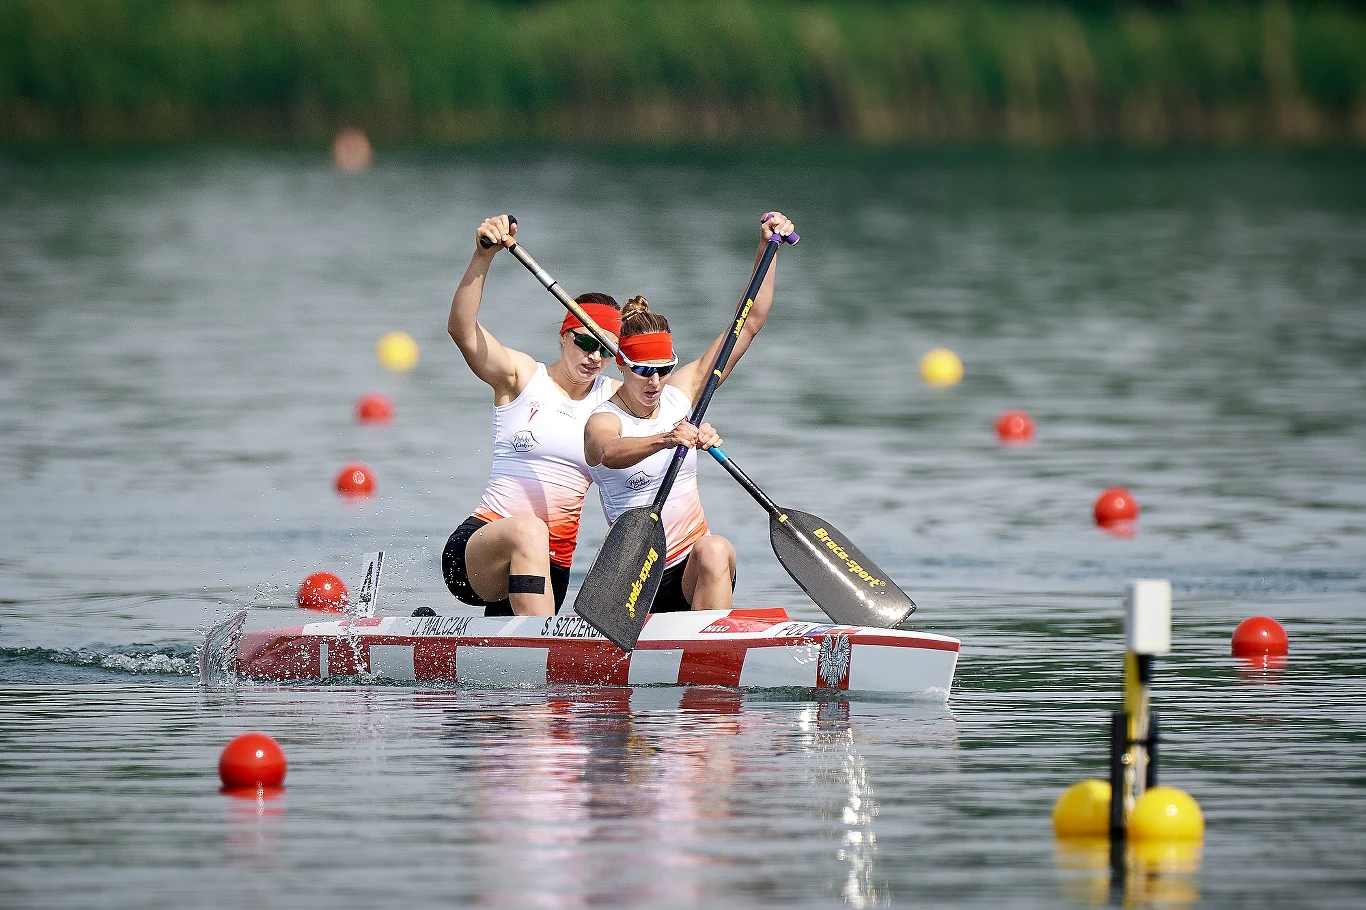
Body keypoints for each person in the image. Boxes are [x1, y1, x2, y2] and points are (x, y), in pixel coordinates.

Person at [584, 211, 797, 613]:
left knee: (716, 548)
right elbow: (608, 453)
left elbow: (747, 322)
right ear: (621, 366)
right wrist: (668, 438)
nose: (655, 382)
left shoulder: (682, 395)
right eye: (644, 372)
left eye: (663, 370)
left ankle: (715, 656)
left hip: (691, 572)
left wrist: (768, 249)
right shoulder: (603, 419)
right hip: (635, 582)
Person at [443, 214, 624, 616]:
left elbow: (689, 382)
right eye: (585, 341)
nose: (594, 357)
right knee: (529, 529)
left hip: (552, 567)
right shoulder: (521, 377)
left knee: (512, 679)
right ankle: (541, 647)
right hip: (480, 551)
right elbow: (461, 329)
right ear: (564, 336)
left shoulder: (617, 401)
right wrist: (482, 256)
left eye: (606, 350)